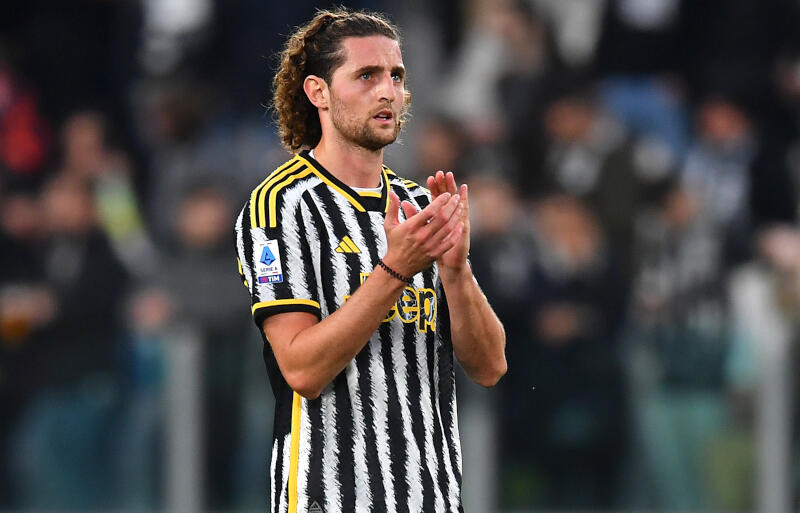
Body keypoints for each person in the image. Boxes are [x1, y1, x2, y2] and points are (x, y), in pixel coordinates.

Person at [233, 8, 507, 513]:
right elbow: (301, 370)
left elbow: (490, 367)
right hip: (328, 497)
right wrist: (395, 270)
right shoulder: (279, 206)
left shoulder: (419, 205)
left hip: (431, 498)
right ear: (318, 92)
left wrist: (456, 271)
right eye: (366, 76)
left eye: (396, 76)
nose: (388, 91)